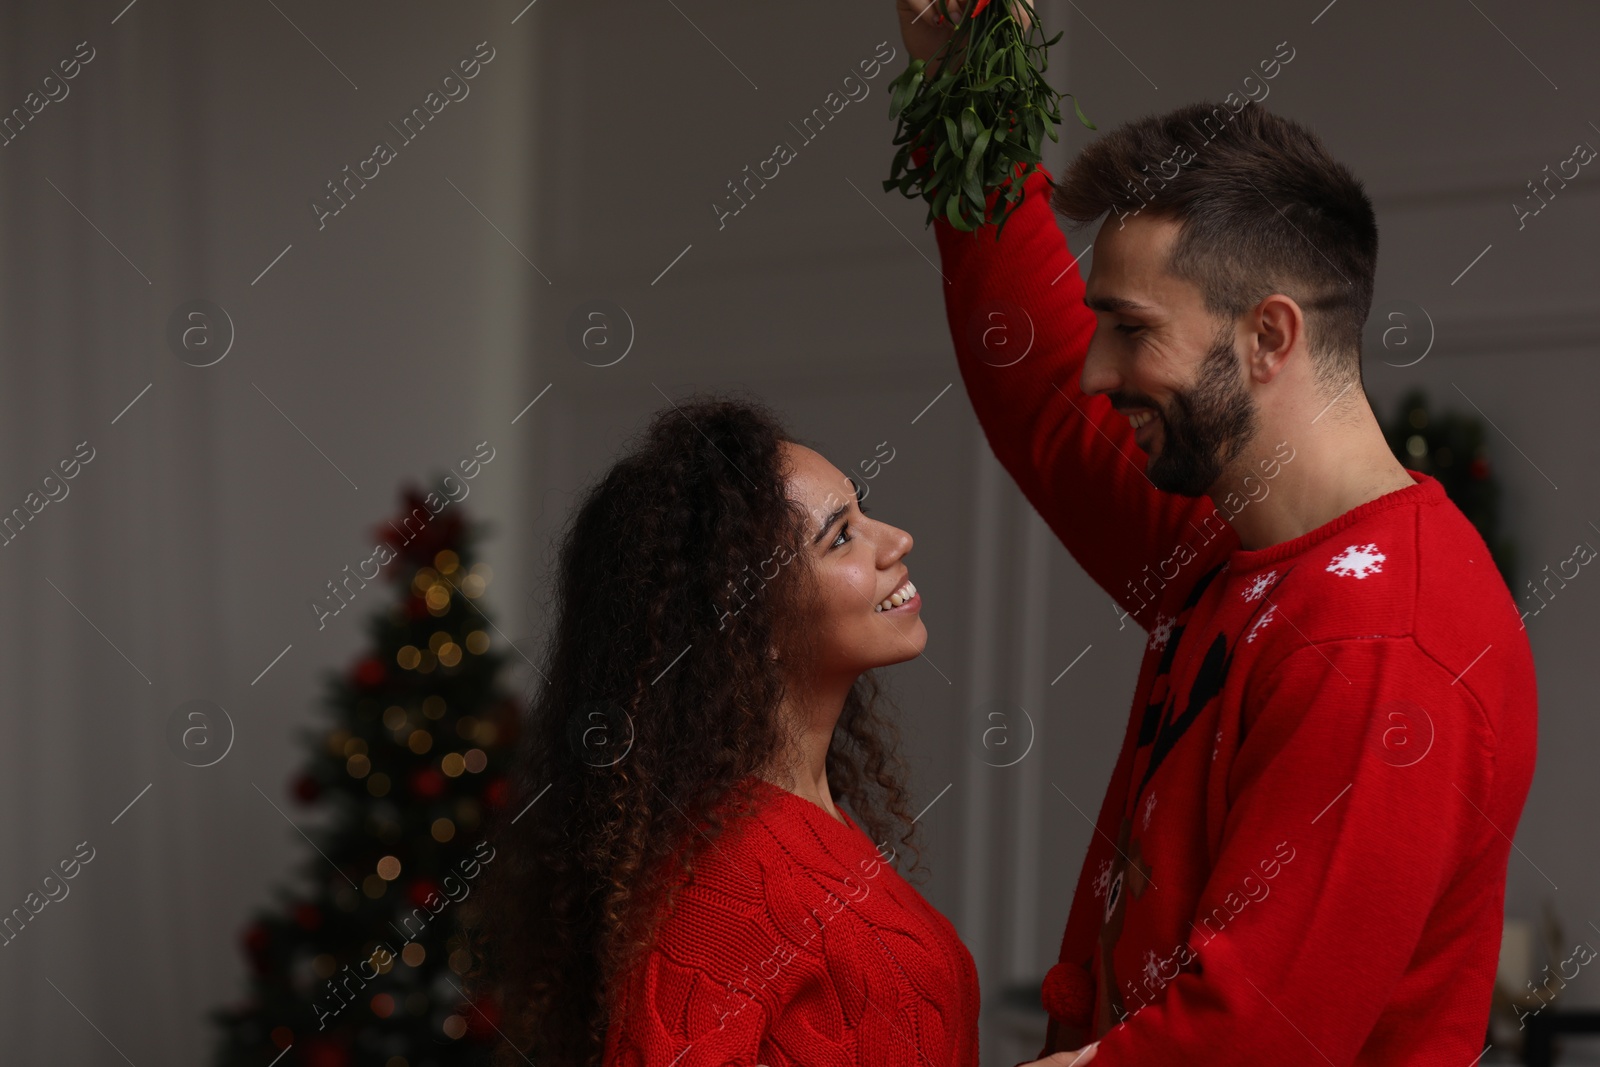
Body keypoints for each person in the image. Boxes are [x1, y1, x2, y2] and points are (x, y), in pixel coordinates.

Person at [891, 1, 1539, 1063]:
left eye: (1131, 330)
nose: (1099, 372)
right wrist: (967, 70)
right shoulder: (1228, 540)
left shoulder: (1380, 641)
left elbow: (1251, 1041)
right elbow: (1036, 379)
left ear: (1268, 334)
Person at [461, 395, 995, 1067]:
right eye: (841, 536)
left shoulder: (816, 824)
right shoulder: (729, 882)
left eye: (862, 509)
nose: (897, 540)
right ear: (750, 624)